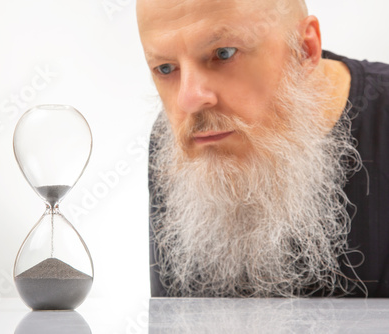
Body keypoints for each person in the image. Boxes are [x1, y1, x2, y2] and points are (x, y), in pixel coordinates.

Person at [137, 0, 389, 298]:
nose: (188, 100)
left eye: (223, 54)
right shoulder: (184, 137)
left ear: (304, 50)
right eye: (165, 68)